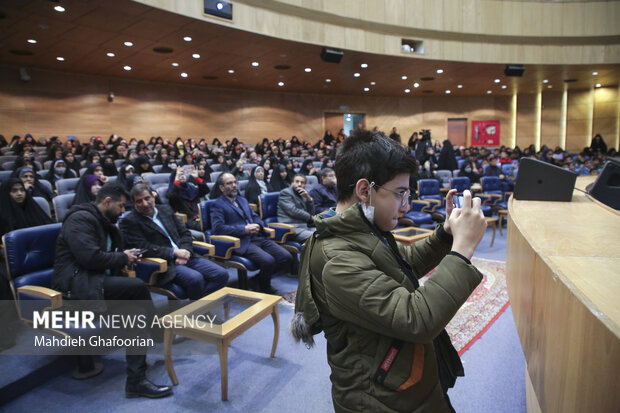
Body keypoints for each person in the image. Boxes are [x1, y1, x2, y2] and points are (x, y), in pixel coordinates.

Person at [291, 130, 487, 413]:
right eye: (400, 194)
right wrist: (462, 250)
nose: (405, 205)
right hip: (378, 397)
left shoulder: (362, 229)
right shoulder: (336, 259)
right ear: (364, 190)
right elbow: (416, 318)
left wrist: (445, 236)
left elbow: (402, 262)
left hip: (398, 380)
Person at [52, 183, 172, 399]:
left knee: (134, 313)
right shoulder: (79, 219)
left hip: (97, 282)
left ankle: (135, 381)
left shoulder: (103, 221)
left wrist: (123, 255)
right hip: (77, 286)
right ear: (107, 202)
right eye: (121, 206)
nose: (123, 211)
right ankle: (157, 333)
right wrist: (123, 257)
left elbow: (106, 255)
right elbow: (89, 258)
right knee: (136, 287)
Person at [120, 184, 228, 300]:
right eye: (139, 201)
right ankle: (201, 311)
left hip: (186, 255)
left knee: (221, 274)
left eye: (147, 198)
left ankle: (198, 307)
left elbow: (185, 233)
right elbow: (143, 247)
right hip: (164, 263)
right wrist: (174, 252)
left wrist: (185, 251)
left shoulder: (166, 209)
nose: (145, 204)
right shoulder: (129, 221)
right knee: (196, 279)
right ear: (134, 203)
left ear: (153, 196)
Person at [210, 173, 293, 294]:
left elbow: (255, 216)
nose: (234, 186)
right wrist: (244, 229)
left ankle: (256, 280)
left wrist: (258, 225)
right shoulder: (217, 204)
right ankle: (264, 288)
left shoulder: (242, 200)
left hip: (257, 237)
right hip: (240, 241)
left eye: (235, 182)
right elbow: (218, 229)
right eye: (229, 183)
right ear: (221, 188)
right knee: (268, 261)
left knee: (286, 257)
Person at [277, 174, 316, 243]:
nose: (299, 184)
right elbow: (293, 211)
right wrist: (310, 217)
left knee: (328, 233)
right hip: (292, 228)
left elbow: (311, 213)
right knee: (318, 237)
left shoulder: (303, 194)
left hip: (304, 227)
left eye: (302, 182)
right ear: (292, 183)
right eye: (297, 181)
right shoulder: (285, 193)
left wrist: (309, 199)